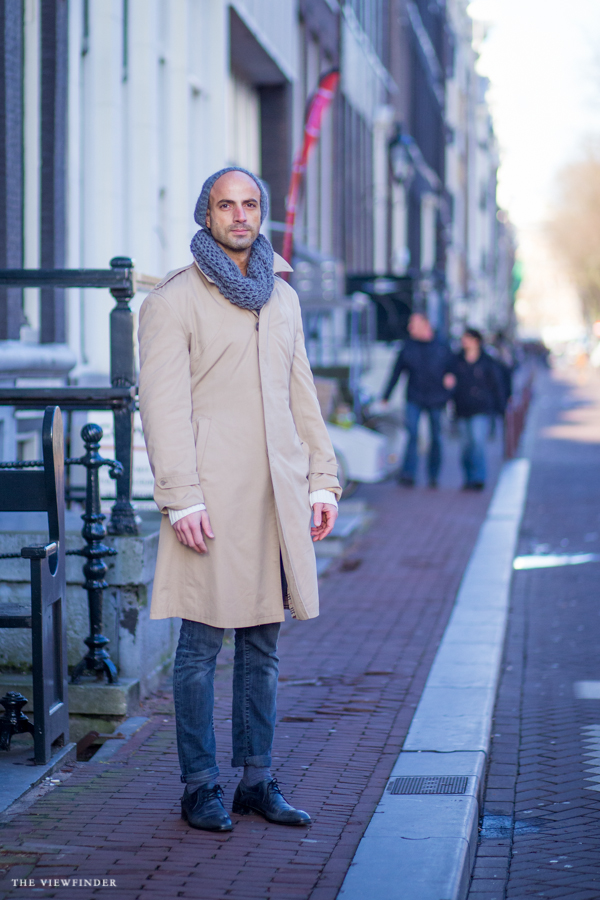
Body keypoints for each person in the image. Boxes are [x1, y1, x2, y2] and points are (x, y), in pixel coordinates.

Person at [138, 166, 341, 833]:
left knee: (263, 644)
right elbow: (162, 411)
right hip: (210, 503)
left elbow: (301, 395)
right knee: (199, 648)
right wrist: (181, 499)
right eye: (227, 205)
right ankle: (201, 786)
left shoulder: (281, 299)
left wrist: (321, 478)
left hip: (275, 497)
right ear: (207, 213)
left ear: (262, 213)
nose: (240, 215)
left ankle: (257, 780)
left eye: (251, 204)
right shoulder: (172, 302)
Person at [381, 312, 454, 488]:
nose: (409, 328)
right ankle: (408, 474)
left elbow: (453, 367)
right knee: (412, 434)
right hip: (414, 397)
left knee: (436, 437)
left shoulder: (442, 345)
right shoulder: (408, 347)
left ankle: (433, 476)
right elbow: (396, 372)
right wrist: (386, 396)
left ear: (425, 325)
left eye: (413, 324)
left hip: (436, 398)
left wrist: (451, 381)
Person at [449, 327, 505, 491]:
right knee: (465, 446)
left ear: (476, 341)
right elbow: (449, 378)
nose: (463, 341)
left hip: (481, 408)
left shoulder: (487, 361)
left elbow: (496, 384)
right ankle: (468, 478)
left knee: (478, 443)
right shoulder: (457, 360)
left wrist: (500, 407)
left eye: (467, 338)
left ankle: (479, 478)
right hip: (462, 408)